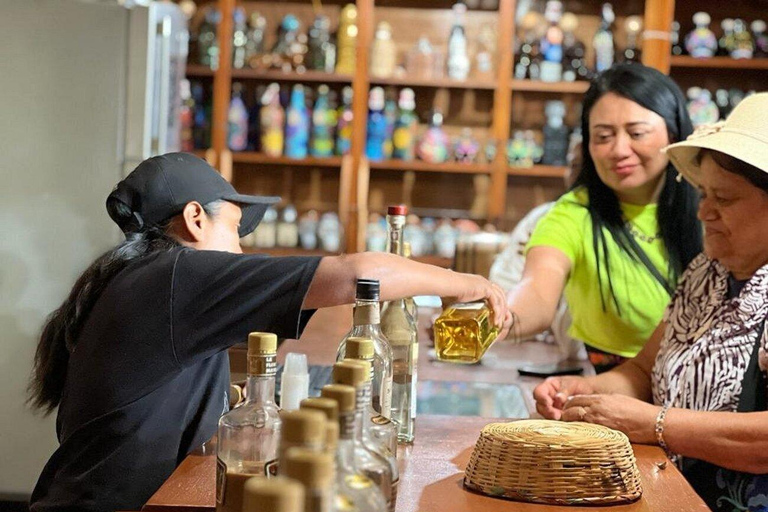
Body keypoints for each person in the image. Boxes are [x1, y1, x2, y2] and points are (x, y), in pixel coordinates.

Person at [27, 153, 512, 512]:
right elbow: (357, 274)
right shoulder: (181, 275)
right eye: (235, 230)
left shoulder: (143, 278)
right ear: (195, 219)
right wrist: (467, 283)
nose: (239, 250)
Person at [533, 92, 768, 511]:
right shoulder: (706, 275)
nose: (704, 212)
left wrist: (654, 424)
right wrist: (587, 393)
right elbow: (644, 370)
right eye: (704, 194)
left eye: (725, 199)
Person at [506, 63, 702, 372]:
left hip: (707, 399)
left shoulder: (713, 208)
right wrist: (494, 318)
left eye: (636, 133)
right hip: (615, 396)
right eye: (603, 136)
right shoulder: (573, 215)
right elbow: (537, 291)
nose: (619, 150)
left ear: (674, 132)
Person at [490, 135, 585, 362]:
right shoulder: (547, 219)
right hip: (560, 359)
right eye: (574, 165)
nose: (581, 176)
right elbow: (505, 286)